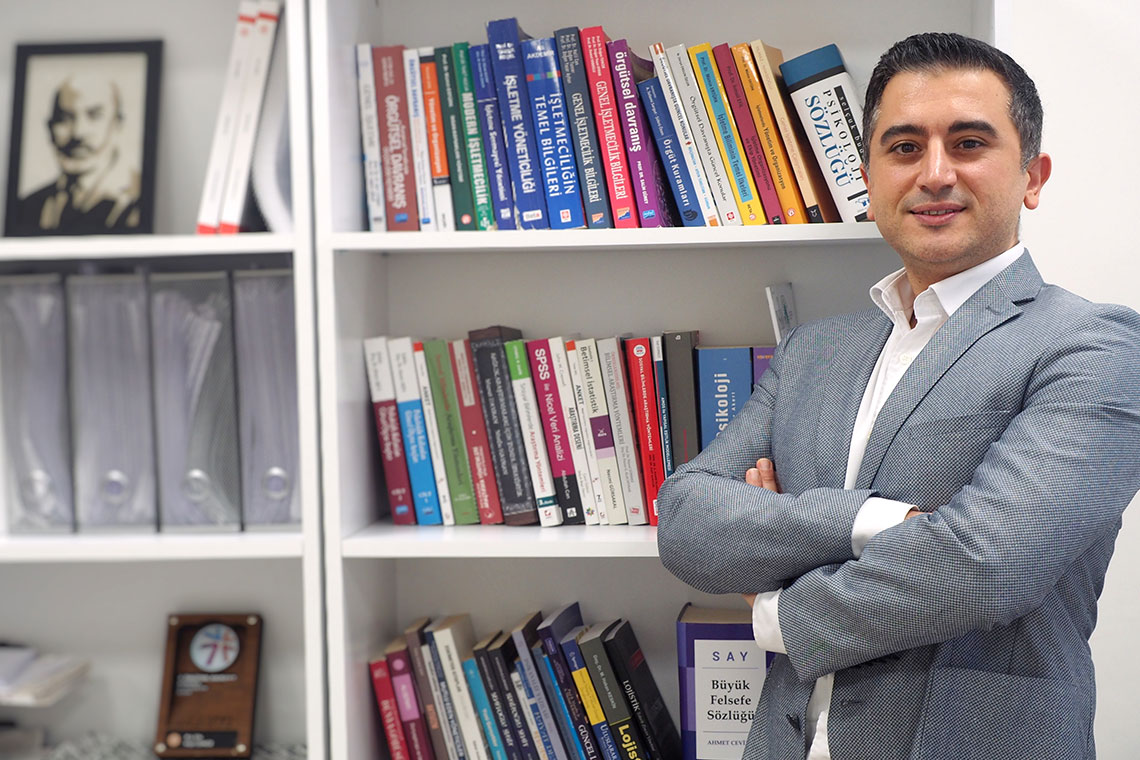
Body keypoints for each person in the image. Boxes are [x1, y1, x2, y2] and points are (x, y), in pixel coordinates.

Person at [657, 32, 1140, 760]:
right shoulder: (814, 351)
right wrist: (876, 521)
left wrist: (777, 602)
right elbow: (685, 519)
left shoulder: (1096, 345)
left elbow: (985, 567)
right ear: (869, 177)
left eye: (969, 143)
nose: (934, 173)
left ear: (1033, 177)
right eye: (905, 147)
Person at [12, 73, 141, 233]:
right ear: (50, 128)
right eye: (64, 118)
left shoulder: (139, 202)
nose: (78, 133)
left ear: (117, 125)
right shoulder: (28, 207)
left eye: (94, 115)